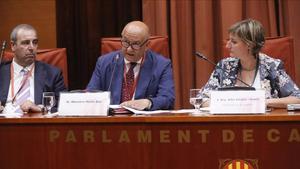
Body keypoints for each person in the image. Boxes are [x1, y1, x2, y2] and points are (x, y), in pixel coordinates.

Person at [200, 19, 300, 108]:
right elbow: (201, 98)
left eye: (234, 42)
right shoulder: (224, 66)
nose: (227, 46)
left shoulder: (272, 66)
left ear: (249, 45)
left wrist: (263, 102)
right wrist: (229, 103)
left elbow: (297, 98)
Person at [87, 21, 175, 110]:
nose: (129, 49)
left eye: (135, 44)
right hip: (112, 121)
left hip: (143, 121)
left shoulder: (162, 65)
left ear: (147, 45)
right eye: (125, 42)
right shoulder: (104, 62)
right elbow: (91, 95)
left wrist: (148, 102)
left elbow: (168, 98)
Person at [0, 24, 66, 113]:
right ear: (13, 46)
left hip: (37, 124)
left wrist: (42, 109)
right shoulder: (1, 71)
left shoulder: (53, 74)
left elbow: (64, 107)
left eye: (34, 42)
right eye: (26, 42)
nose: (31, 47)